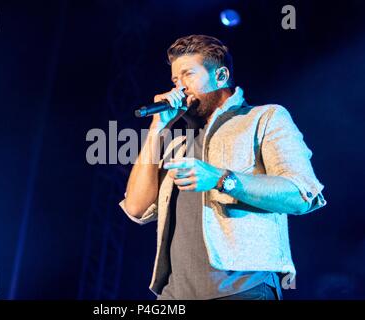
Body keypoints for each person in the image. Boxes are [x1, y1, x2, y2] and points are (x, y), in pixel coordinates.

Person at [119, 35, 326, 300]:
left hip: (242, 289)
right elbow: (136, 208)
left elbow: (300, 195)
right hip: (173, 295)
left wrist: (221, 179)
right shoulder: (177, 144)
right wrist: (157, 127)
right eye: (174, 80)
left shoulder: (264, 118)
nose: (179, 88)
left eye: (188, 75)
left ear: (220, 76)